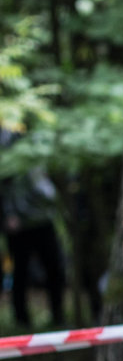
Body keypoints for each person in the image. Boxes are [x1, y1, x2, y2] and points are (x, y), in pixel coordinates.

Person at [0, 129, 66, 328]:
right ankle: (22, 322)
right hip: (18, 227)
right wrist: (7, 216)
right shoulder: (7, 150)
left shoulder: (37, 143)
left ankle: (58, 317)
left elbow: (47, 190)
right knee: (20, 274)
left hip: (43, 221)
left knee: (54, 269)